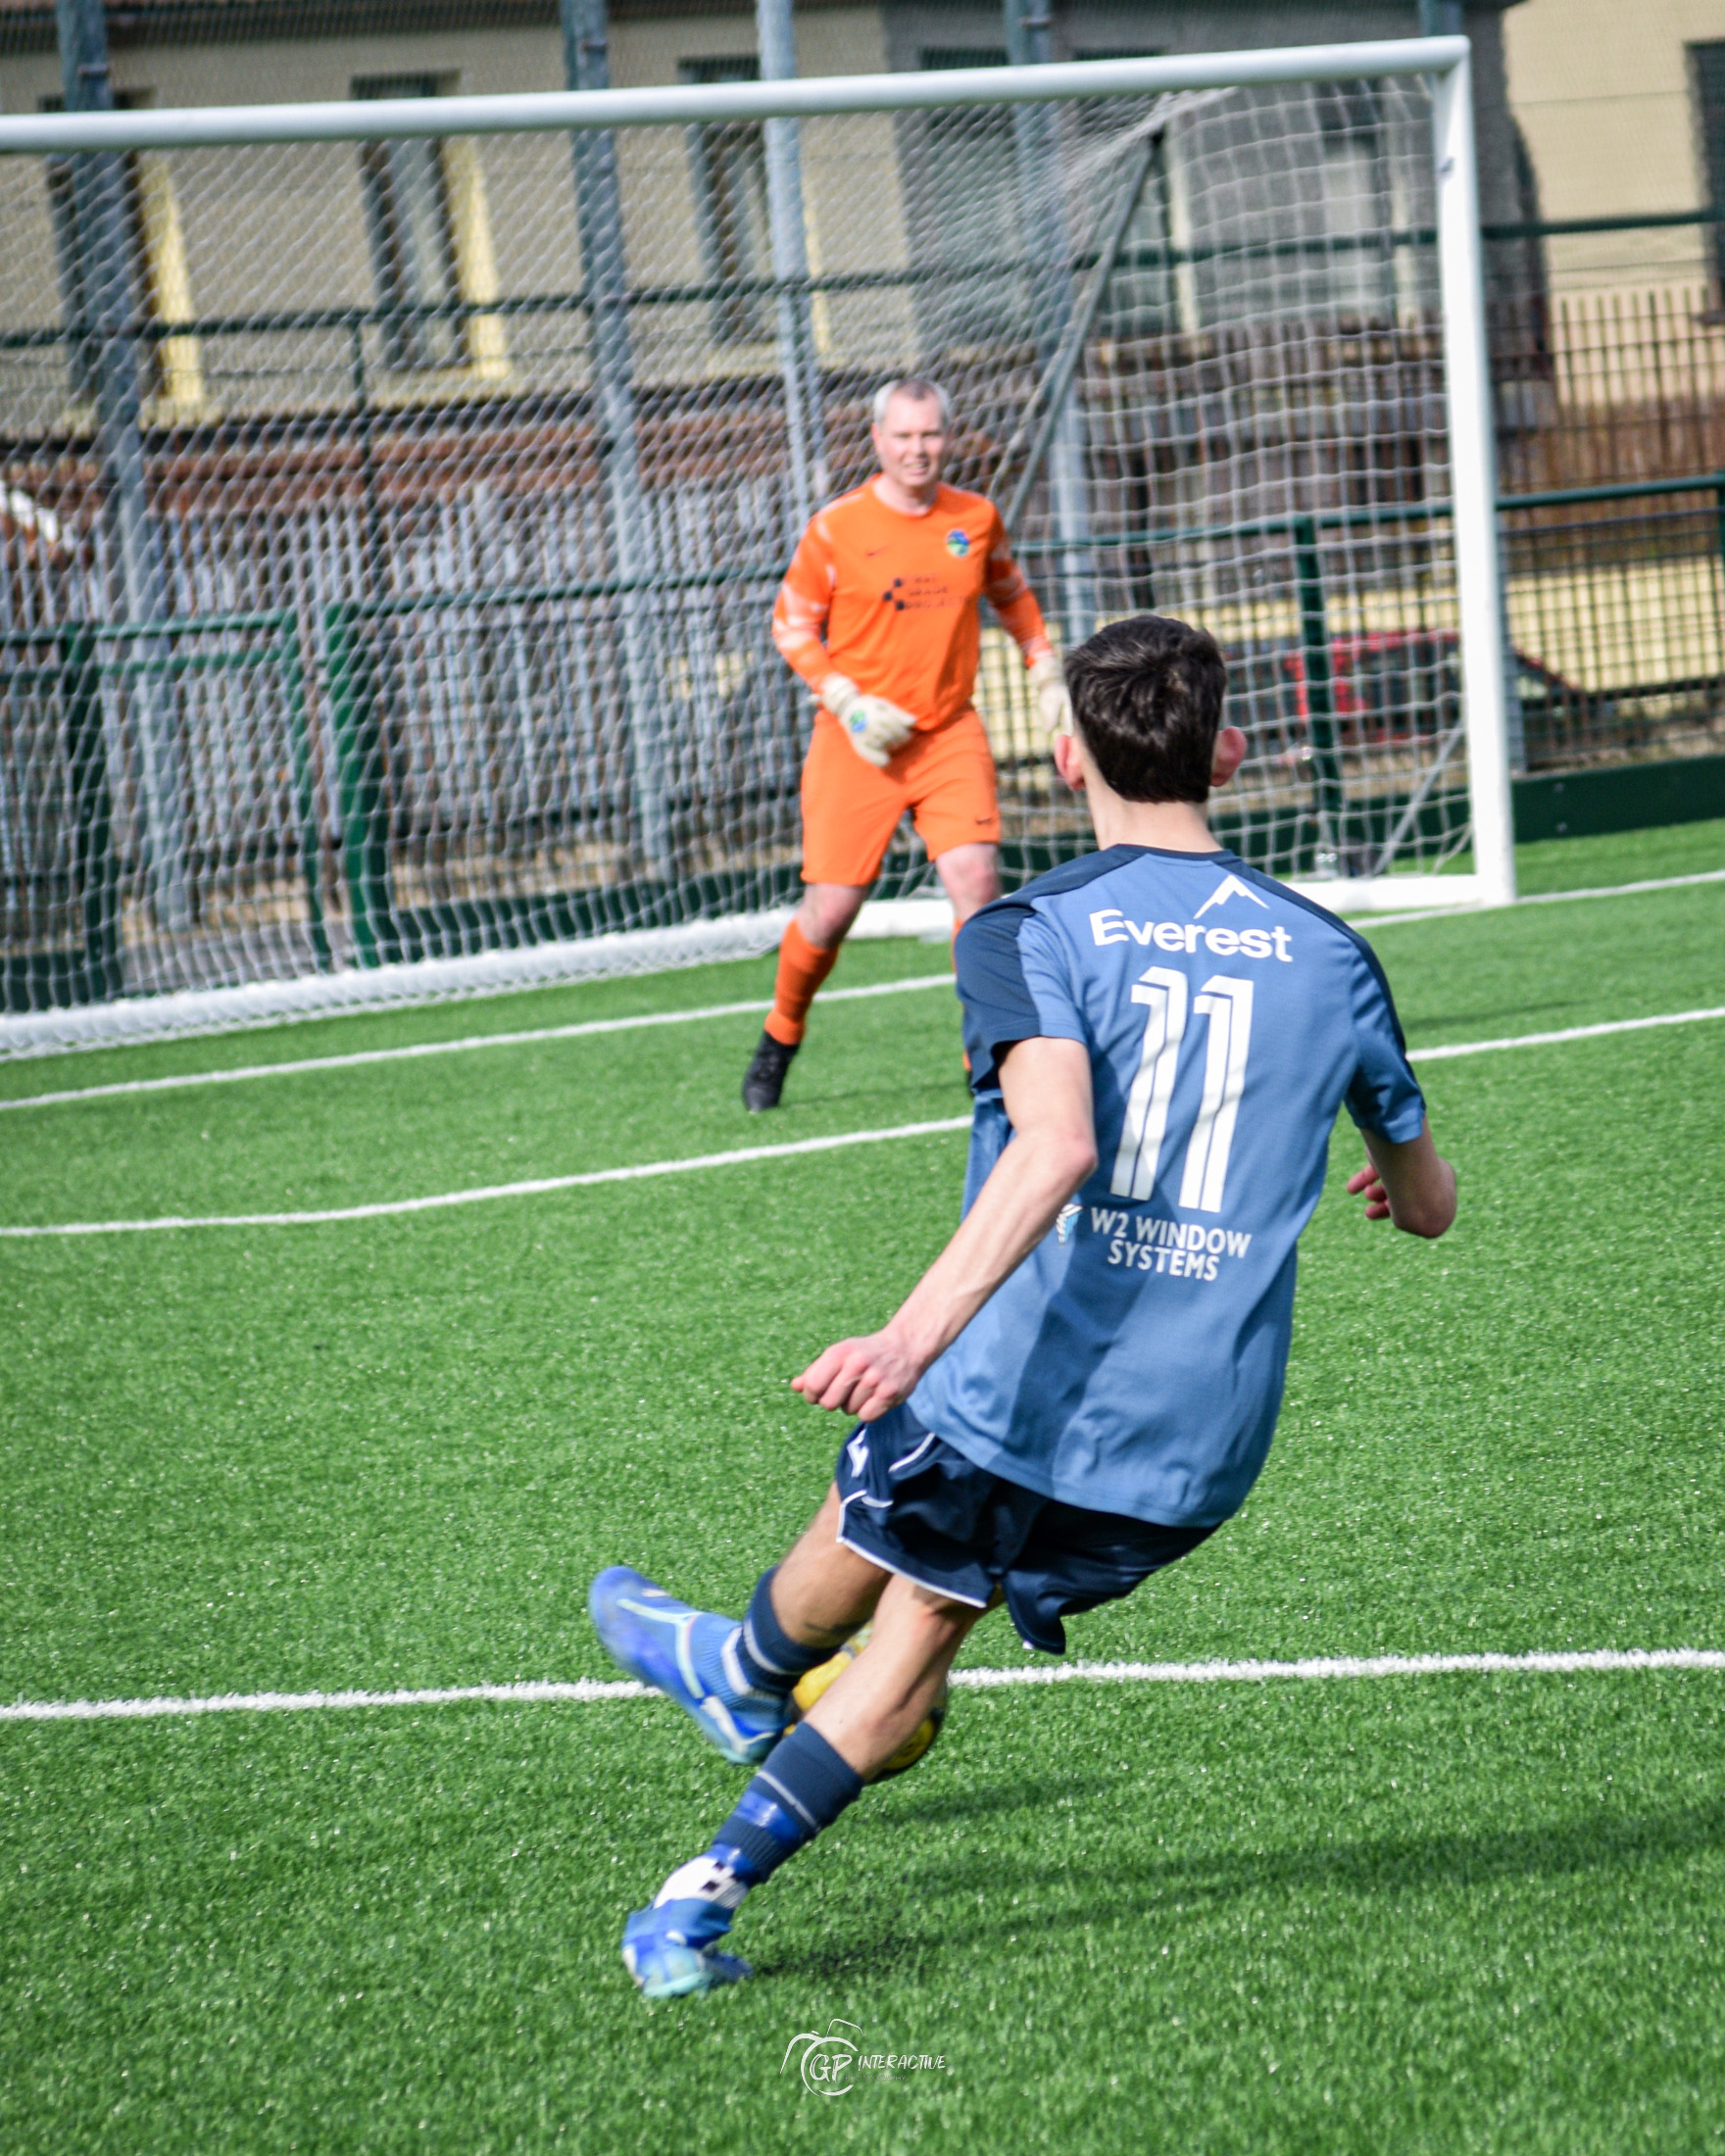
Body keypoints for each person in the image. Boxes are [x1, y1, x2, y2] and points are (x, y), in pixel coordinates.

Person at [594, 612, 1456, 1999]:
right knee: (890, 1511)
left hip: (1026, 1393)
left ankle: (688, 1906)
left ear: (1064, 757)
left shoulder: (1029, 928)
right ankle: (741, 1670)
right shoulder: (1330, 952)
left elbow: (1057, 1146)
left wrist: (905, 1332)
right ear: (1226, 752)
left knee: (913, 1624)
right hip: (1196, 1453)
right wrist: (1385, 1178)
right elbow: (1428, 1201)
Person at [742, 375, 1071, 1111]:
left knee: (977, 886)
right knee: (830, 913)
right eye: (903, 436)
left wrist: (1043, 663)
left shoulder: (974, 518)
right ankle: (780, 1034)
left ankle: (982, 1055)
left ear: (947, 439)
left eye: (930, 436)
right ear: (877, 440)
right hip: (857, 744)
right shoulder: (837, 528)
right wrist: (846, 700)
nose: (917, 450)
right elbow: (792, 625)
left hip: (950, 732)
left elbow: (1011, 594)